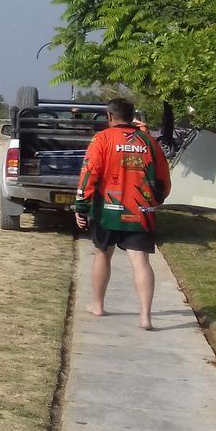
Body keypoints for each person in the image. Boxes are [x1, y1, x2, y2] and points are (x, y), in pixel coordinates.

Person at [74, 98, 172, 330]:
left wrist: (81, 205)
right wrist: (157, 200)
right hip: (140, 212)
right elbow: (164, 177)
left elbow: (89, 174)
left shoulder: (102, 139)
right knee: (140, 261)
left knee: (102, 255)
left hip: (107, 211)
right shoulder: (149, 142)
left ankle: (97, 305)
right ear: (132, 116)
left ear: (110, 116)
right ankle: (145, 317)